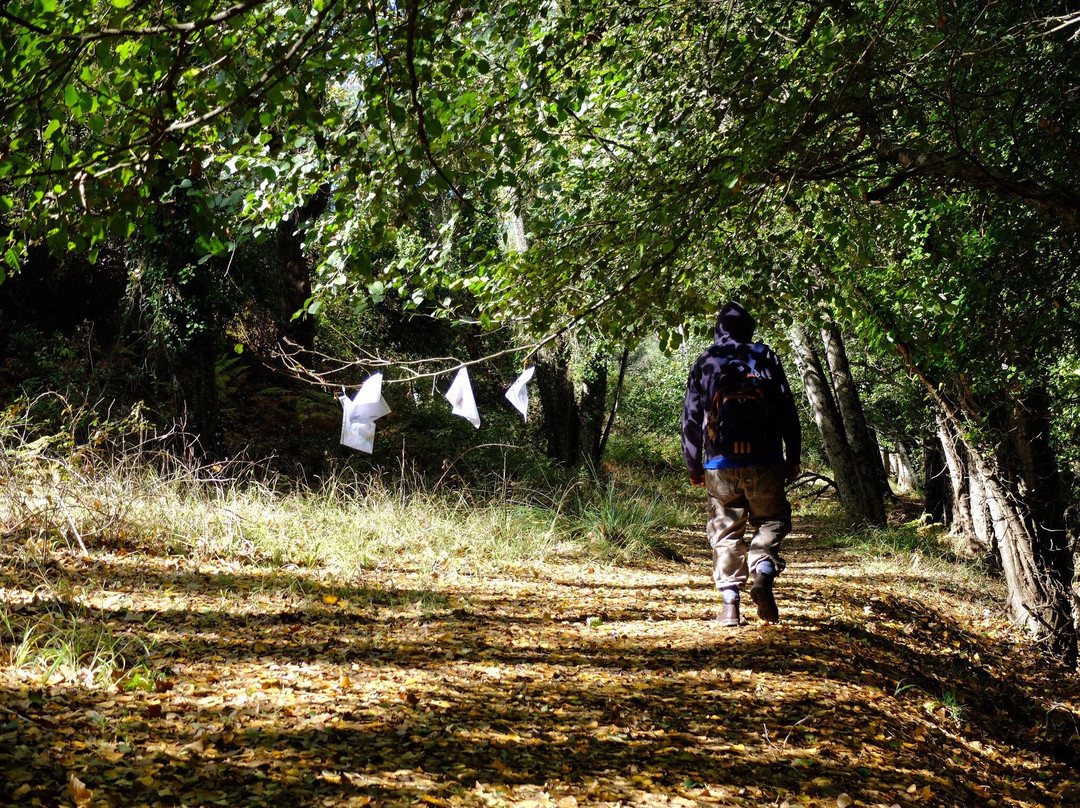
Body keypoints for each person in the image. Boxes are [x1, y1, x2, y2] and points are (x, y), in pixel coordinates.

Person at [681, 301, 802, 626]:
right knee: (772, 520)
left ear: (718, 329)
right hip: (766, 460)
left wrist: (694, 466)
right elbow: (787, 409)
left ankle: (730, 606)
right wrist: (793, 456)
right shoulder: (764, 356)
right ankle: (762, 571)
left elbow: (691, 420)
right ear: (749, 328)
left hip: (720, 462)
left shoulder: (706, 361)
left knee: (725, 531)